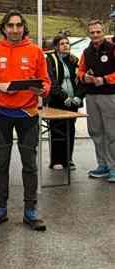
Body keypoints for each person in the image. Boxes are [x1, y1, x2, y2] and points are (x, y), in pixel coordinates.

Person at [0, 10, 50, 231]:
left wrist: (41, 89)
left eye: (19, 25)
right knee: (1, 164)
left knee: (29, 164)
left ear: (23, 27)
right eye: (11, 25)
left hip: (28, 114)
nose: (15, 29)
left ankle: (30, 210)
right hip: (0, 114)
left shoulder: (36, 51)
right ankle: (0, 208)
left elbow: (46, 83)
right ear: (4, 28)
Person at [77, 19, 115, 182]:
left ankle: (113, 167)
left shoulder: (113, 49)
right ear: (89, 33)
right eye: (92, 32)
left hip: (109, 95)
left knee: (111, 133)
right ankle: (103, 165)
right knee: (96, 132)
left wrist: (105, 80)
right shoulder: (86, 52)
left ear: (103, 31)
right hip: (91, 96)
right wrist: (83, 76)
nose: (95, 35)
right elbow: (79, 70)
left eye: (98, 32)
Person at [45, 34, 83, 170]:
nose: (66, 45)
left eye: (67, 43)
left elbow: (80, 80)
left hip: (73, 103)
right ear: (56, 46)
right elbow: (51, 81)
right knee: (57, 131)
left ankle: (68, 159)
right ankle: (56, 160)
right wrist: (63, 96)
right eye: (62, 43)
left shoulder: (74, 60)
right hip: (57, 101)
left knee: (70, 130)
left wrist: (79, 96)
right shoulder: (49, 59)